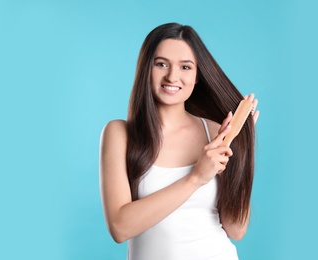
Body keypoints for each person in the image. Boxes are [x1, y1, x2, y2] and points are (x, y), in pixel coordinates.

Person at [99, 23, 259, 260]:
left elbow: (236, 230)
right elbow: (120, 227)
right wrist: (196, 177)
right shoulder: (120, 134)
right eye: (161, 64)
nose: (172, 76)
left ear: (197, 77)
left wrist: (238, 161)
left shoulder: (215, 133)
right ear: (146, 69)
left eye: (185, 67)